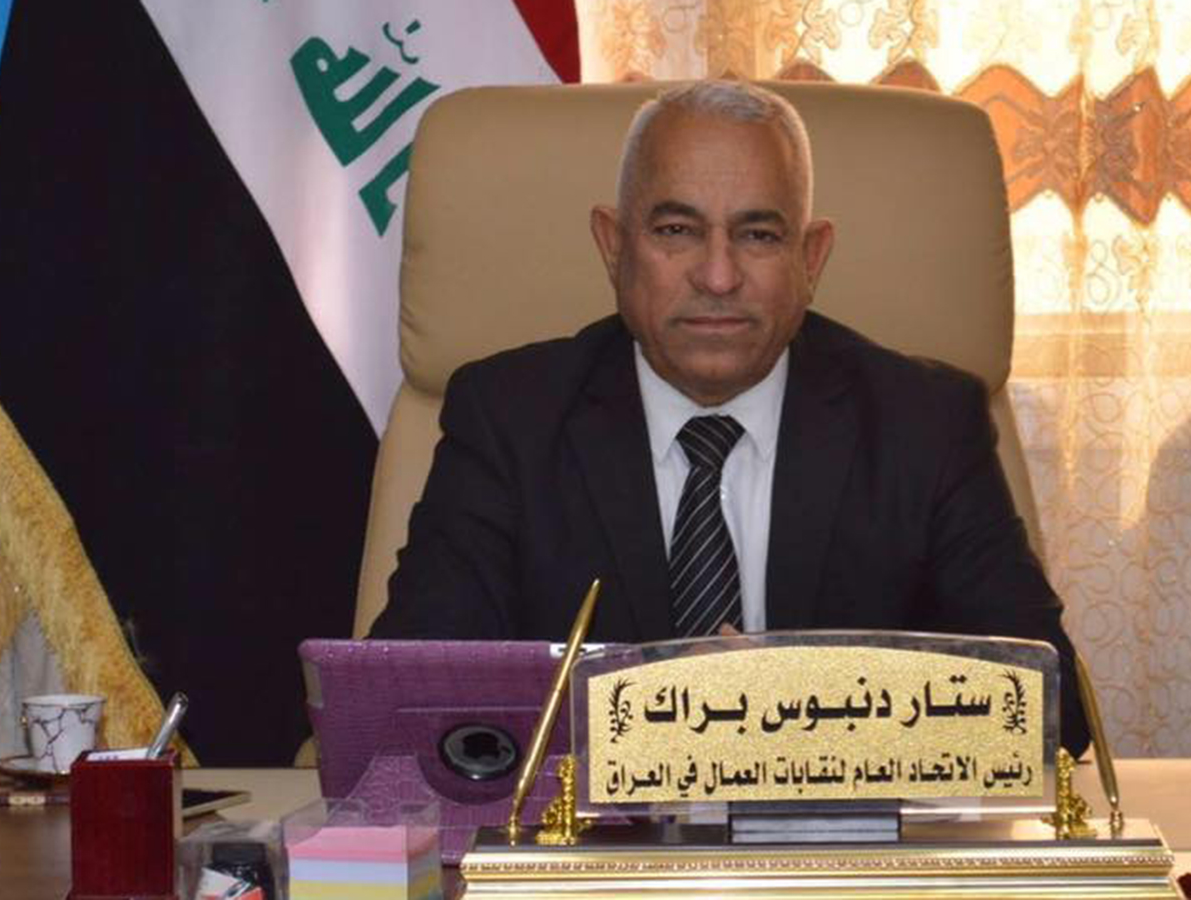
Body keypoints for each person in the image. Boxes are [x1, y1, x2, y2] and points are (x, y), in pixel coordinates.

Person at [369, 80, 1089, 755]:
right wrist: (662, 716)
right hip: (596, 842)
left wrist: (781, 708)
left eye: (759, 235)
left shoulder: (922, 427)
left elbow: (1052, 713)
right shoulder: (510, 420)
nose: (718, 277)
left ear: (812, 258)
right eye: (676, 229)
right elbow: (399, 705)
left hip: (840, 844)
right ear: (613, 247)